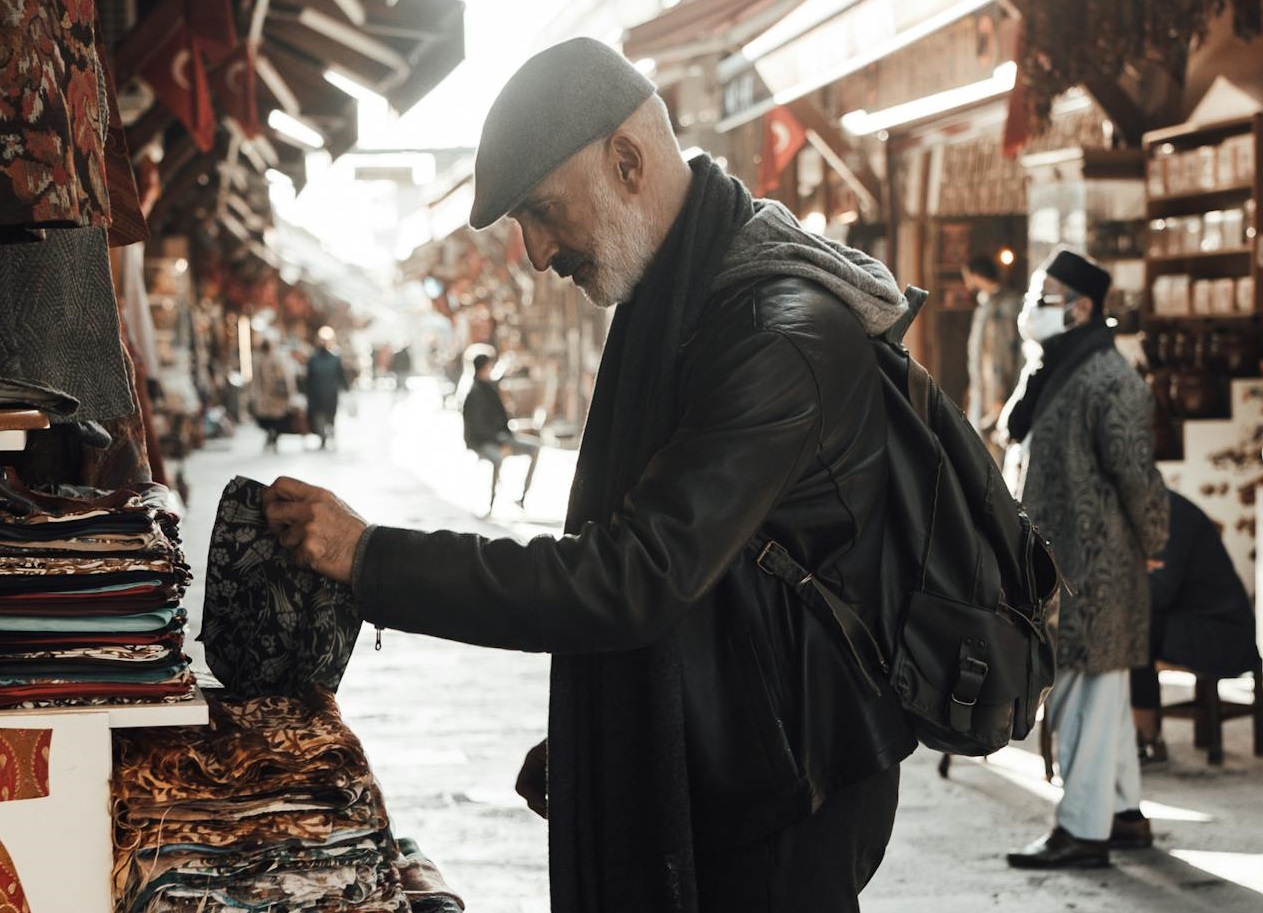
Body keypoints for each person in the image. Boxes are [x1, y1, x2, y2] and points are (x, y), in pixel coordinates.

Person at [263, 38, 917, 913]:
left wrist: (368, 555)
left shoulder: (775, 335)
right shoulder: (683, 302)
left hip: (789, 783)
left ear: (625, 161)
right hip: (732, 744)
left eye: (539, 211)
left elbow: (631, 576)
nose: (534, 253)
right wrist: (608, 728)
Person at [1000, 247, 1169, 869]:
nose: (1033, 307)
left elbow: (1139, 478)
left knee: (1084, 697)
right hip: (1063, 566)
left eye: (1046, 295)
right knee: (1100, 698)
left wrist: (1155, 544)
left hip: (1094, 571)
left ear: (1083, 307)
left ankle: (1082, 832)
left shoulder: (1108, 377)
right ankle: (1123, 816)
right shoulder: (1051, 368)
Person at [1132, 488, 1260, 765]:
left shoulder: (1170, 514)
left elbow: (1160, 591)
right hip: (1198, 624)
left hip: (1223, 634)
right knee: (1135, 627)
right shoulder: (1160, 509)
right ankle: (1141, 733)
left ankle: (1146, 738)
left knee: (1136, 632)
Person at [461, 348, 540, 512]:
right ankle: (491, 504)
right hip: (483, 442)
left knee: (535, 448)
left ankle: (522, 497)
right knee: (497, 458)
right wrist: (499, 442)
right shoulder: (473, 393)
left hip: (501, 437)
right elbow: (477, 428)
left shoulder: (489, 387)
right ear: (484, 368)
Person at [961, 253, 1022, 463]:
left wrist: (999, 396)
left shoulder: (1002, 307)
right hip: (985, 391)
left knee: (995, 456)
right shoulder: (987, 305)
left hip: (995, 395)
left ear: (976, 275)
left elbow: (999, 355)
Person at [305, 326, 349, 449]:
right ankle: (322, 438)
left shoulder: (335, 359)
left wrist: (347, 389)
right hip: (316, 394)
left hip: (330, 394)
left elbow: (341, 375)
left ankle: (330, 434)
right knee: (319, 418)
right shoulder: (313, 359)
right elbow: (308, 378)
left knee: (330, 417)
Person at [251, 339, 294, 452]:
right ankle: (271, 435)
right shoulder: (259, 359)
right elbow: (256, 379)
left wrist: (289, 393)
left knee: (277, 419)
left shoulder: (277, 358)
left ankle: (273, 437)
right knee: (267, 419)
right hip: (265, 395)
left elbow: (285, 377)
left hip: (276, 395)